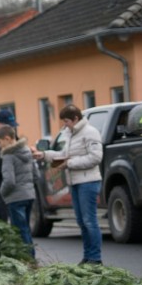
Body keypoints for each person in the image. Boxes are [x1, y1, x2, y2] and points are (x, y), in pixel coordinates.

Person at [38, 105, 103, 264]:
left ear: (75, 119)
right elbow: (63, 155)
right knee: (81, 221)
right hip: (74, 182)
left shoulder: (90, 132)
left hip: (88, 182)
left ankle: (95, 258)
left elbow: (96, 157)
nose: (64, 124)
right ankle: (87, 256)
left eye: (66, 121)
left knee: (89, 221)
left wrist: (70, 163)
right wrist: (44, 155)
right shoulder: (69, 134)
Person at [0, 123, 36, 257]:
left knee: (19, 231)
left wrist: (1, 193)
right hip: (29, 195)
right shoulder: (27, 151)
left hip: (16, 198)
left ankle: (27, 260)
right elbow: (36, 175)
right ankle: (32, 257)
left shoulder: (8, 155)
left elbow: (9, 181)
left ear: (7, 139)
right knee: (26, 229)